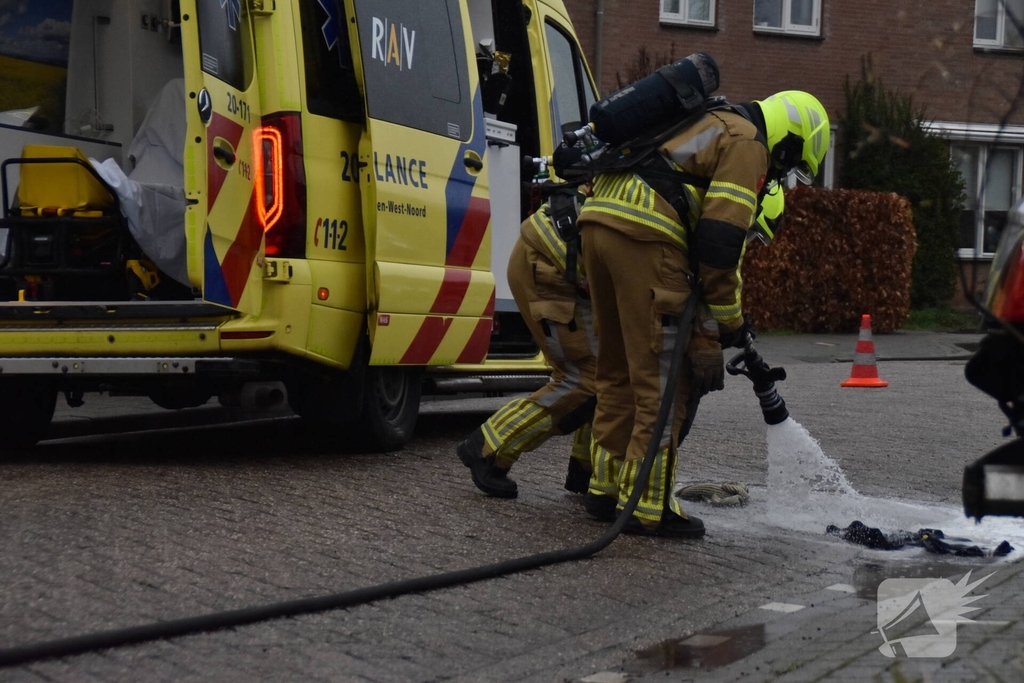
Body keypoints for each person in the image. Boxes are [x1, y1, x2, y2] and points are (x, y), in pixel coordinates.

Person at [576, 90, 829, 538]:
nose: (779, 176)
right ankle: (648, 508)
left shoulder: (709, 119)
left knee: (615, 372)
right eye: (789, 164)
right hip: (646, 236)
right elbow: (719, 242)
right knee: (663, 382)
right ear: (789, 139)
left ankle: (604, 490)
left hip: (598, 224)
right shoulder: (748, 141)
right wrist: (730, 323)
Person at [456, 190, 598, 498]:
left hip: (552, 255)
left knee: (608, 373)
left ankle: (586, 470)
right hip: (553, 265)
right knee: (586, 377)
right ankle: (489, 448)